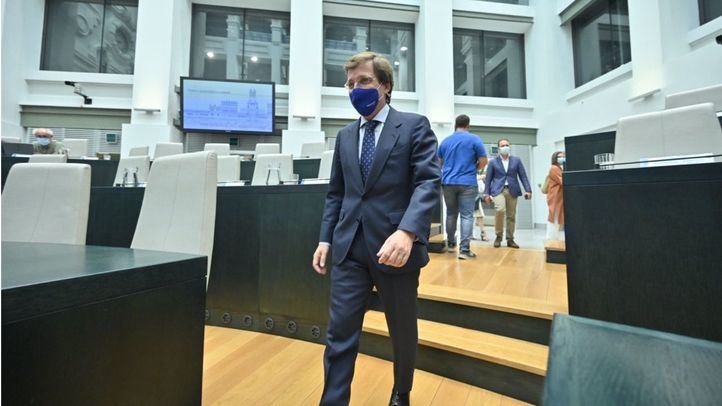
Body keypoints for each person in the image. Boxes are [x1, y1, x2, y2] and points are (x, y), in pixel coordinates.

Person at [311, 51, 440, 406]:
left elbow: (428, 183)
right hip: (349, 248)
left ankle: (401, 392)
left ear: (385, 85)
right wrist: (325, 238)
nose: (356, 89)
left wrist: (408, 231)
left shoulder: (414, 125)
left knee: (401, 329)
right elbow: (337, 193)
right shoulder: (345, 136)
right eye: (351, 84)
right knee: (339, 334)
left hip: (396, 248)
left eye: (364, 81)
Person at [438, 114, 487, 259]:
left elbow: (438, 162)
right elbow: (483, 161)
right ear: (468, 125)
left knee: (451, 214)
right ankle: (464, 250)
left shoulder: (445, 141)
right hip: (467, 183)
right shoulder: (474, 139)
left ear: (455, 125)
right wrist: (474, 169)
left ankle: (452, 243)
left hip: (448, 182)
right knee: (467, 215)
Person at [483, 139, 532, 249]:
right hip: (498, 190)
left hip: (512, 190)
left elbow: (523, 176)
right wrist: (486, 193)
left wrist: (528, 190)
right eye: (503, 145)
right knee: (500, 210)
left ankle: (510, 239)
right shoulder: (493, 162)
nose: (505, 147)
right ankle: (498, 236)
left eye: (507, 145)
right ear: (499, 148)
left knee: (511, 216)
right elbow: (488, 179)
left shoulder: (516, 160)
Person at [546, 151, 565, 241]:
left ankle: (554, 238)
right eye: (560, 156)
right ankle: (551, 238)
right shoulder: (554, 168)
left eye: (563, 156)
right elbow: (562, 181)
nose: (562, 158)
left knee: (556, 217)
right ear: (555, 158)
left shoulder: (559, 168)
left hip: (558, 196)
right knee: (554, 217)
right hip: (555, 196)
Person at [472, 170, 489, 241]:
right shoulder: (472, 174)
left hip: (475, 197)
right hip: (470, 196)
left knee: (474, 216)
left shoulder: (478, 175)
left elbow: (482, 189)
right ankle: (483, 233)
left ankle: (470, 234)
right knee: (479, 216)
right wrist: (480, 177)